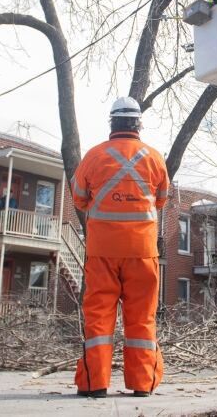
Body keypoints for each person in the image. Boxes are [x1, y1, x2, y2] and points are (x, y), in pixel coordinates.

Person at [72, 96, 170, 398]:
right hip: (142, 252)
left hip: (102, 252)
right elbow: (162, 199)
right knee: (141, 317)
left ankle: (94, 384)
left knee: (99, 317)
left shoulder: (93, 156)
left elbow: (78, 197)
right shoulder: (154, 158)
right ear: (138, 124)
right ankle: (143, 384)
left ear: (112, 123)